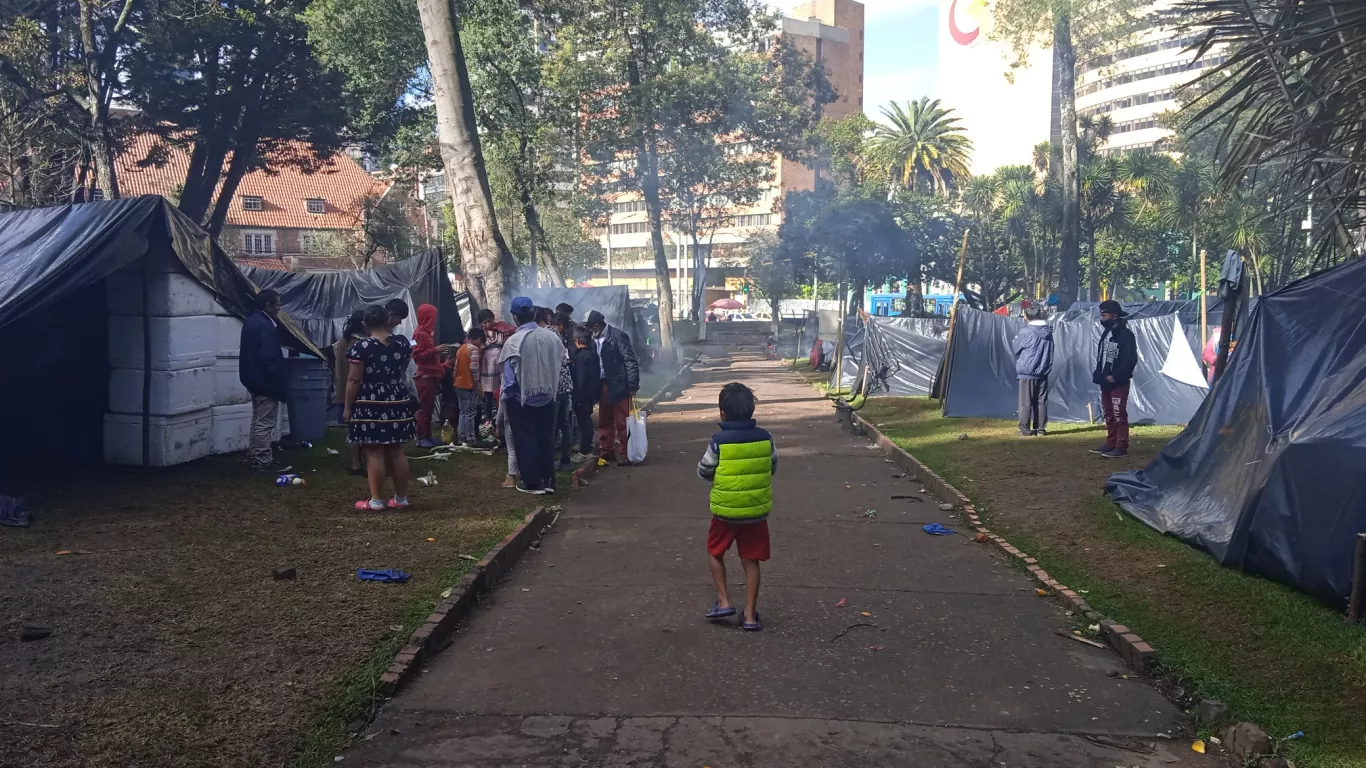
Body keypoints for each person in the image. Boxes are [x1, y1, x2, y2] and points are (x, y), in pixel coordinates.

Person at [697, 382, 777, 632]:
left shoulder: (718, 441)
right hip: (755, 512)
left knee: (715, 551)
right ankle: (750, 616)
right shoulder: (766, 438)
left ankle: (723, 601)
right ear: (752, 411)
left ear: (722, 412)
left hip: (726, 511)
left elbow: (704, 470)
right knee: (751, 559)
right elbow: (772, 466)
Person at [344, 304, 416, 510]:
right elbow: (401, 368)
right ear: (387, 319)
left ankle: (376, 500)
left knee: (373, 450)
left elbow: (354, 380)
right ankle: (401, 498)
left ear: (366, 323)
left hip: (370, 400)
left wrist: (348, 407)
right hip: (396, 397)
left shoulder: (360, 348)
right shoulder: (402, 344)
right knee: (396, 450)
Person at [501, 297, 566, 494]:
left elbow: (510, 379)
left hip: (521, 399)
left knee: (525, 440)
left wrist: (508, 398)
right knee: (545, 438)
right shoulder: (552, 337)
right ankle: (549, 481)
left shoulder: (513, 341)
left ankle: (532, 483)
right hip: (547, 395)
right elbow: (560, 361)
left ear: (515, 317)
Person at [239, 289, 292, 473]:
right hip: (264, 381)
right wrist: (279, 380)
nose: (279, 308)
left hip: (252, 379)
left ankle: (255, 456)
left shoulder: (251, 321)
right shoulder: (266, 325)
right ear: (268, 305)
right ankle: (263, 460)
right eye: (277, 304)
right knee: (265, 422)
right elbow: (269, 357)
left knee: (257, 419)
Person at [585, 309, 640, 464]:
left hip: (619, 384)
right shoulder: (592, 339)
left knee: (622, 421)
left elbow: (630, 360)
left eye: (590, 327)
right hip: (602, 384)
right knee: (604, 419)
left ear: (596, 326)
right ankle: (607, 450)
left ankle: (625, 453)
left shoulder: (617, 336)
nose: (589, 330)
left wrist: (632, 385)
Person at [1090, 299, 1138, 458]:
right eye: (1101, 314)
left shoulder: (1126, 335)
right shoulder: (1106, 333)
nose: (1102, 317)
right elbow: (1101, 356)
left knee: (1119, 415)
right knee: (1108, 414)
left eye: (1105, 314)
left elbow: (1130, 360)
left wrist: (1116, 376)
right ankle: (1111, 443)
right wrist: (1099, 373)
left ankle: (1121, 446)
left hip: (1119, 382)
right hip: (1105, 381)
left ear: (1115, 316)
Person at [411, 304, 450, 449]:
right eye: (432, 317)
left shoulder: (426, 333)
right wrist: (435, 350)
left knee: (429, 408)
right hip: (425, 376)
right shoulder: (419, 334)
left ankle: (427, 436)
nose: (434, 320)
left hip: (431, 375)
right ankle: (421, 437)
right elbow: (417, 356)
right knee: (424, 409)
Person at [333, 309, 368, 473]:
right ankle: (361, 462)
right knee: (363, 429)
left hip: (343, 390)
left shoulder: (342, 341)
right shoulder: (360, 344)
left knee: (352, 429)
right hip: (358, 391)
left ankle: (355, 463)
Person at [1011, 306, 1054, 436]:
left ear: (1028, 317)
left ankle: (1025, 429)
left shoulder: (1025, 331)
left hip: (1027, 371)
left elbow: (1015, 348)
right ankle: (1040, 429)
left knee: (1025, 402)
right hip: (1043, 370)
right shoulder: (1048, 332)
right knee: (1041, 401)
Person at [448, 327, 484, 446]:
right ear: (479, 339)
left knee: (463, 411)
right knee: (470, 413)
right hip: (468, 385)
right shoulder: (474, 349)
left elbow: (456, 368)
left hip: (458, 383)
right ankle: (471, 438)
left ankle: (462, 437)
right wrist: (476, 383)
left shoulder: (461, 348)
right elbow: (474, 368)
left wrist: (456, 379)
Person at [570, 324, 601, 463]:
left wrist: (578, 396)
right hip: (591, 393)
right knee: (586, 420)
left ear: (576, 341)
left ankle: (585, 450)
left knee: (584, 422)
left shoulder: (581, 357)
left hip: (582, 395)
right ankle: (586, 447)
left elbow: (580, 378)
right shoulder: (593, 355)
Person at [551, 312, 576, 471]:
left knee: (553, 426)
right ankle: (566, 459)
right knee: (565, 424)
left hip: (555, 388)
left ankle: (552, 459)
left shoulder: (550, 337)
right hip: (565, 387)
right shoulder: (559, 338)